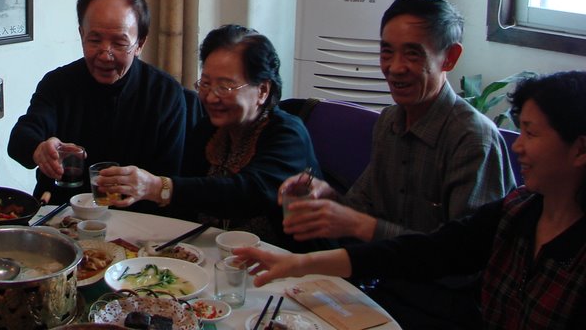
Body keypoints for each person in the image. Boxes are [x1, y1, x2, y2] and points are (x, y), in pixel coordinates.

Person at [237, 70, 586, 329]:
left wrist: (355, 227)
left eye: (532, 133)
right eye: (520, 130)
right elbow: (425, 252)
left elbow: (452, 279)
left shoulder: (472, 139)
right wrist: (298, 263)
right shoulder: (518, 211)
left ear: (580, 149)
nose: (519, 146)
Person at [278, 0, 516, 328]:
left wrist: (359, 225)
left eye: (413, 55)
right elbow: (364, 208)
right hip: (381, 287)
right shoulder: (389, 121)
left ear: (449, 58)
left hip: (442, 309)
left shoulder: (472, 138)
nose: (394, 68)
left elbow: (463, 265)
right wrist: (325, 196)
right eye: (386, 52)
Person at [100, 25, 320, 246]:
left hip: (289, 265)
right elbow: (185, 205)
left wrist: (159, 188)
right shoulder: (208, 131)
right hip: (215, 256)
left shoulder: (289, 135)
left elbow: (250, 192)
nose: (211, 97)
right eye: (205, 84)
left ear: (262, 90)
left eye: (225, 87)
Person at [8, 0, 186, 207]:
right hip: (61, 216)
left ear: (140, 43)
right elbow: (21, 137)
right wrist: (38, 149)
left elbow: (170, 178)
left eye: (119, 43)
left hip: (139, 221)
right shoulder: (58, 83)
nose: (105, 54)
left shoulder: (165, 94)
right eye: (94, 40)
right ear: (81, 34)